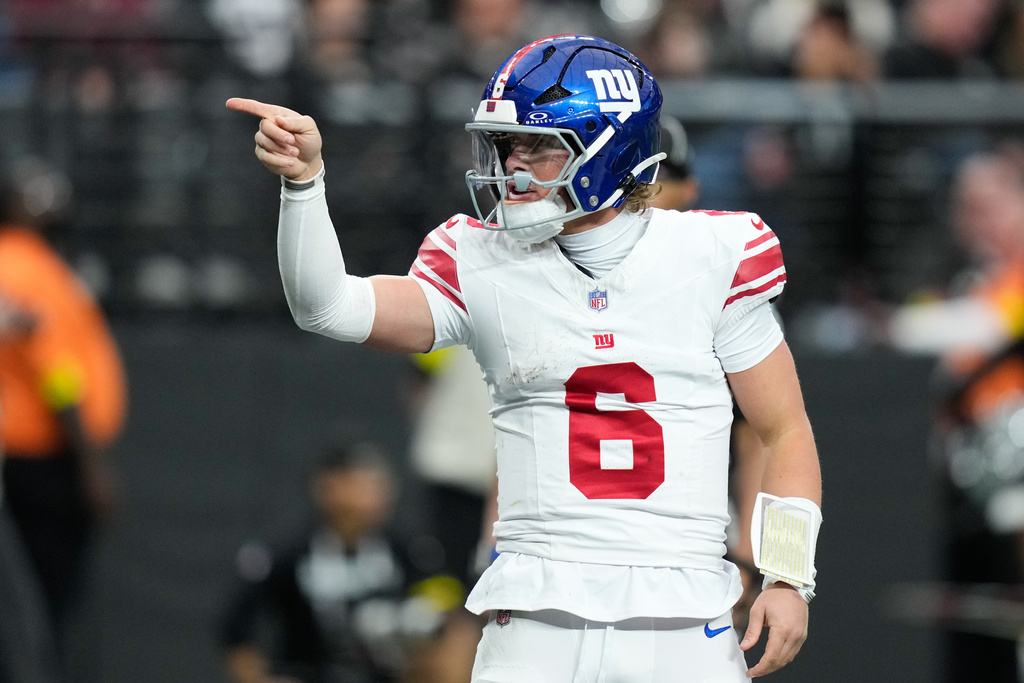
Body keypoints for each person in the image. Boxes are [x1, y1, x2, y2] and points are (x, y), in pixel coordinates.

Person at [228, 33, 822, 681]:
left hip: (681, 619)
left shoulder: (713, 253)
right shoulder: (482, 259)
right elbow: (329, 307)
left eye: (538, 145)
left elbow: (784, 426)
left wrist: (788, 575)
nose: (511, 165)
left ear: (606, 147)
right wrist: (304, 186)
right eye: (507, 144)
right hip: (535, 619)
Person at [0, 160, 127, 650]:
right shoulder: (25, 267)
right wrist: (89, 464)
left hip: (34, 457)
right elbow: (57, 376)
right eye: (32, 191)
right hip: (42, 458)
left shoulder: (35, 261)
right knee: (43, 601)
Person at [219, 437, 448, 683]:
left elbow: (449, 613)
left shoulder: (410, 551)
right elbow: (235, 628)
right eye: (361, 482)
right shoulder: (286, 554)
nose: (377, 493)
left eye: (379, 483)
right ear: (328, 487)